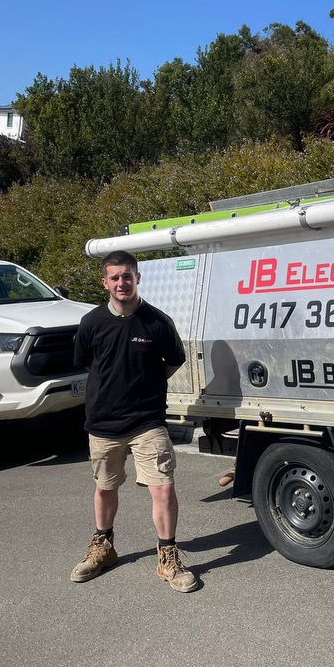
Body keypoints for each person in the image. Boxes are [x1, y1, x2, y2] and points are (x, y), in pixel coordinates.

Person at [69, 250, 199, 593]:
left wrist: (144, 384)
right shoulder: (91, 323)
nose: (121, 283)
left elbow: (174, 361)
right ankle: (103, 548)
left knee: (164, 487)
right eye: (115, 277)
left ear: (137, 278)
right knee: (105, 487)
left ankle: (167, 557)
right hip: (103, 422)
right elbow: (88, 363)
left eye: (127, 276)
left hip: (147, 421)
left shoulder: (158, 322)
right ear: (105, 282)